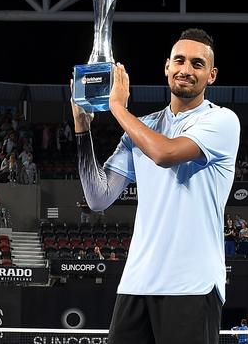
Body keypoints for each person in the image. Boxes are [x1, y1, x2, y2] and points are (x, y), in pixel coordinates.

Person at [72, 28, 239, 344]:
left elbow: (164, 154)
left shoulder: (222, 121)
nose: (186, 70)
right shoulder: (142, 128)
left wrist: (118, 107)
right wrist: (82, 129)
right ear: (167, 67)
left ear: (212, 75)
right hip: (137, 282)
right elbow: (98, 197)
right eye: (179, 61)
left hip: (192, 285)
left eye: (197, 64)